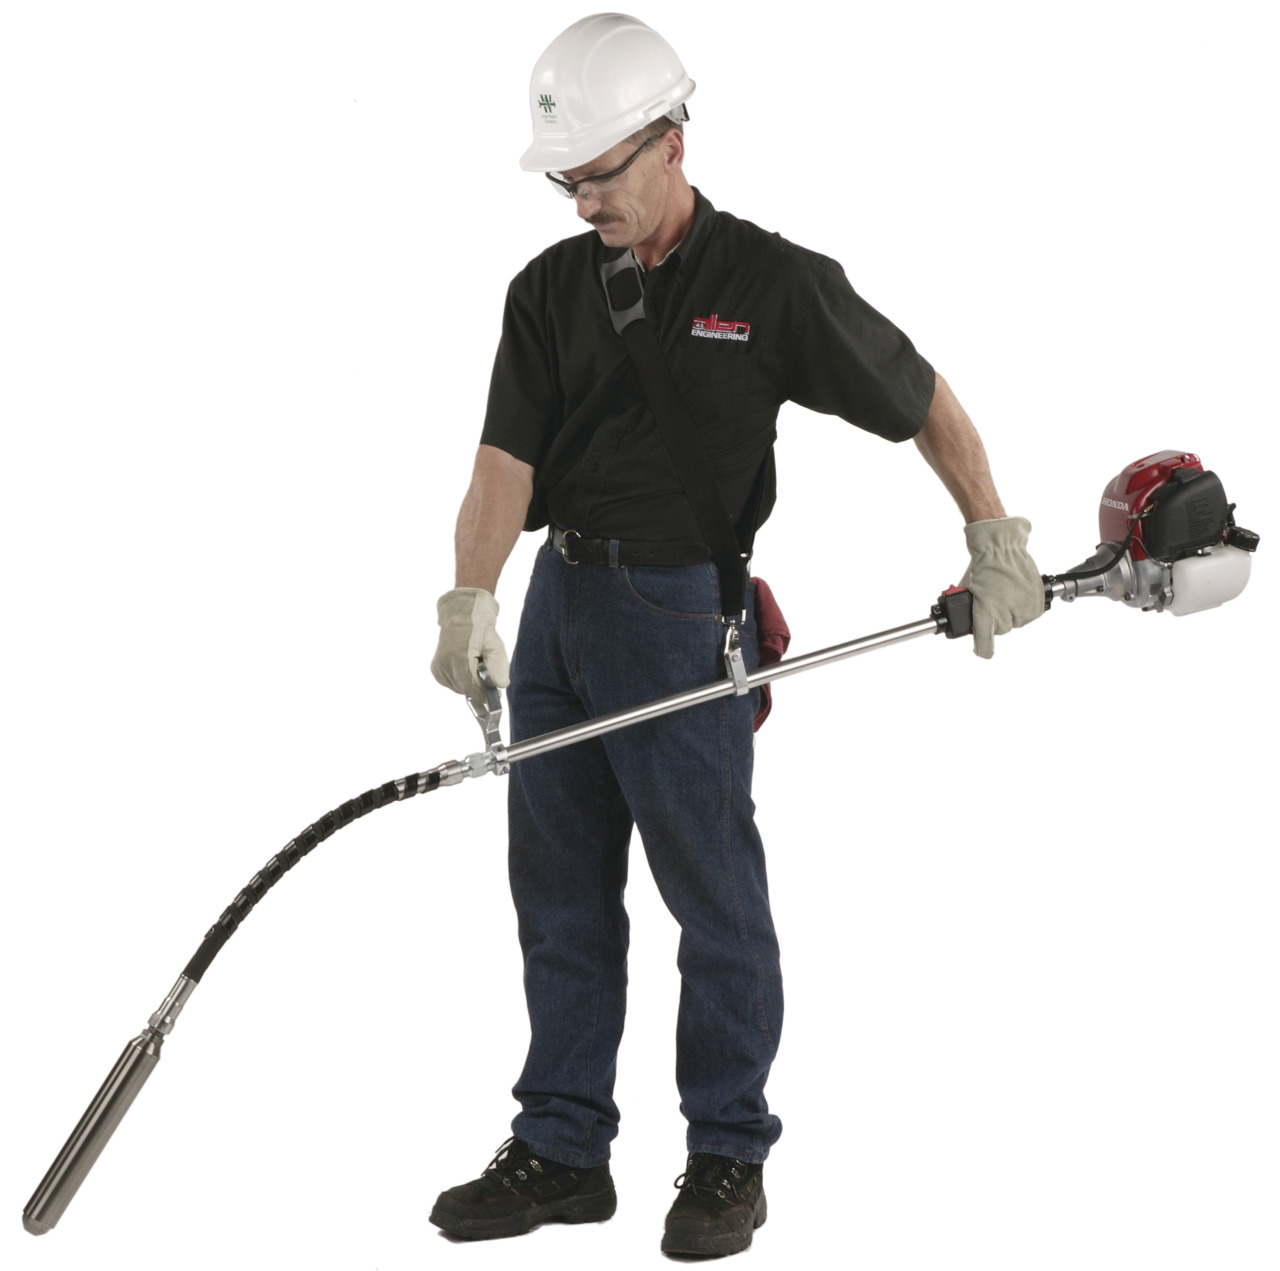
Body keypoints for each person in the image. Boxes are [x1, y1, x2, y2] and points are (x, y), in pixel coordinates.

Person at [427, 13, 1044, 1258]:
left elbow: (917, 395)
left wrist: (993, 534)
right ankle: (562, 1146)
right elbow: (503, 458)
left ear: (671, 139)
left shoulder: (771, 283)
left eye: (600, 173)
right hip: (556, 614)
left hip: (674, 617)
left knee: (712, 899)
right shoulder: (545, 289)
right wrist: (469, 597)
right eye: (566, 179)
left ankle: (725, 1150)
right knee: (558, 895)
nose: (582, 201)